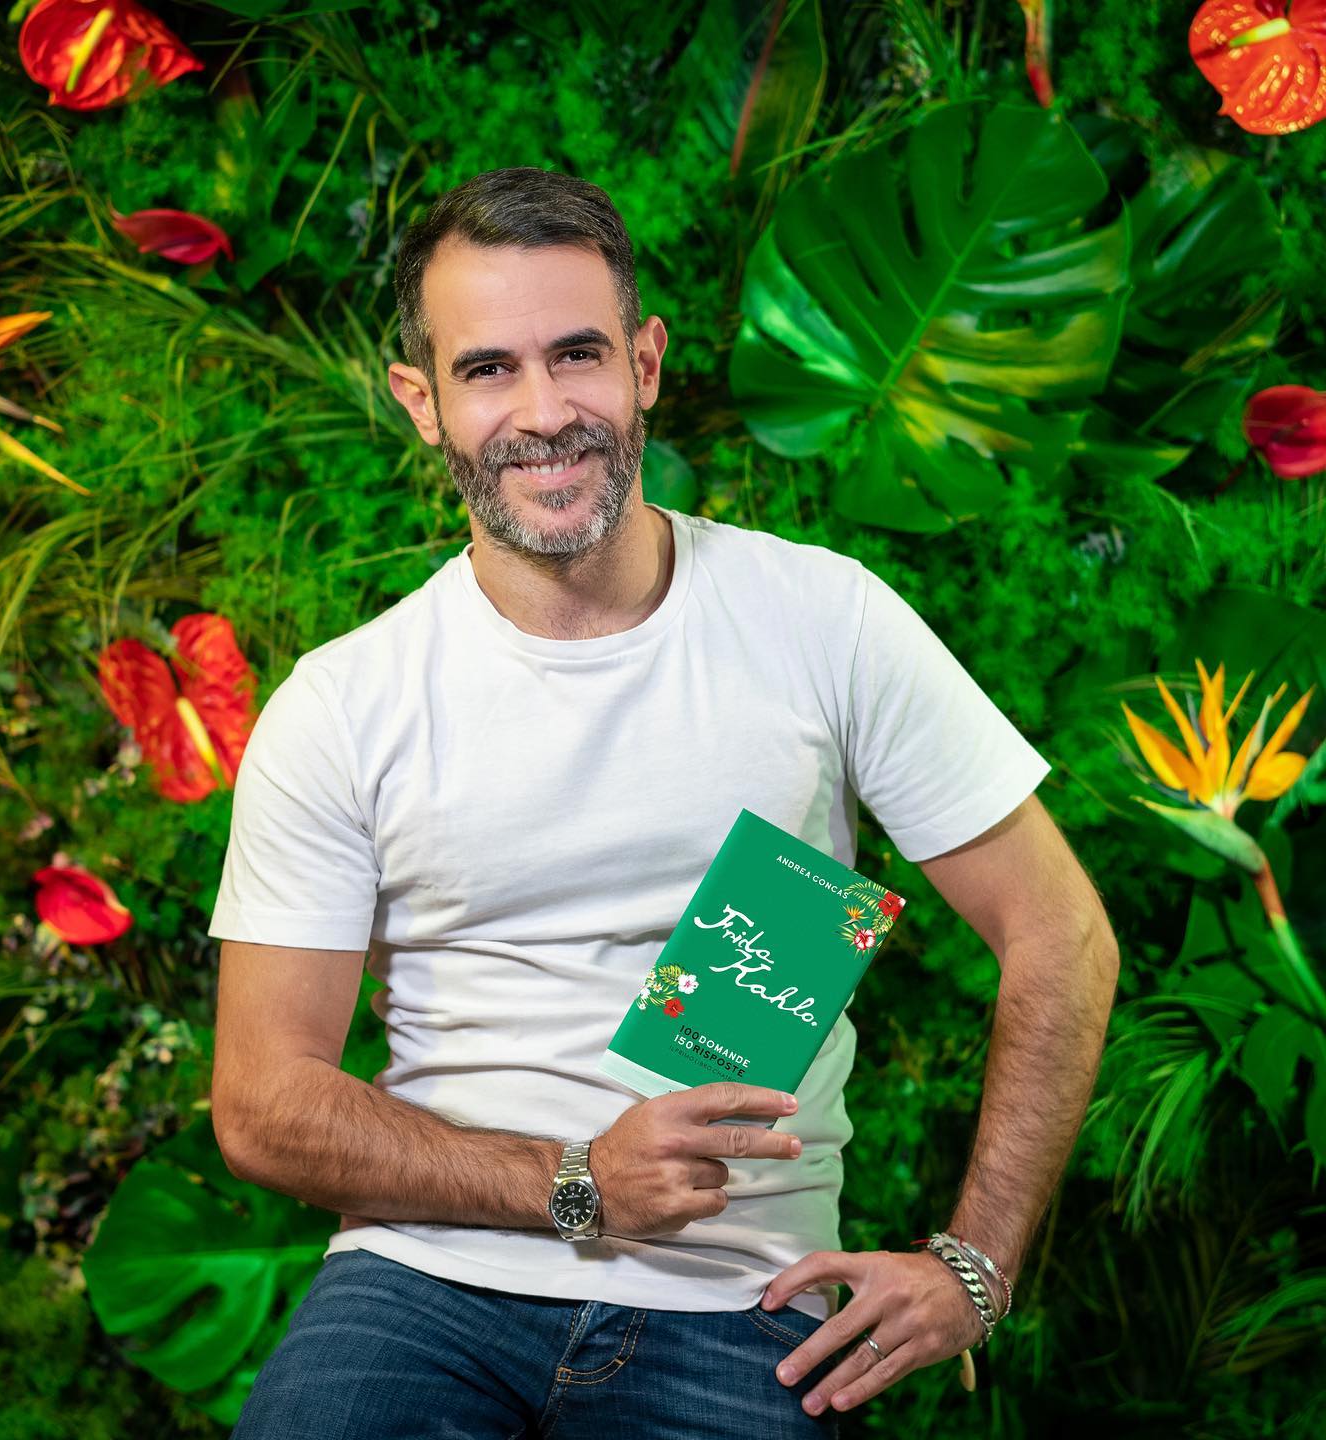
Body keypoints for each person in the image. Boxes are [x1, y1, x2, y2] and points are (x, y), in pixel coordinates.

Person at [209, 167, 1121, 1439]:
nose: (544, 413)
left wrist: (975, 1268)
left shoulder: (826, 621)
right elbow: (262, 1102)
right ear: (424, 403)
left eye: (577, 354)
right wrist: (578, 1181)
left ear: (645, 362)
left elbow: (1061, 931)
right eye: (489, 370)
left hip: (743, 1304)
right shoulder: (344, 703)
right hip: (424, 1282)